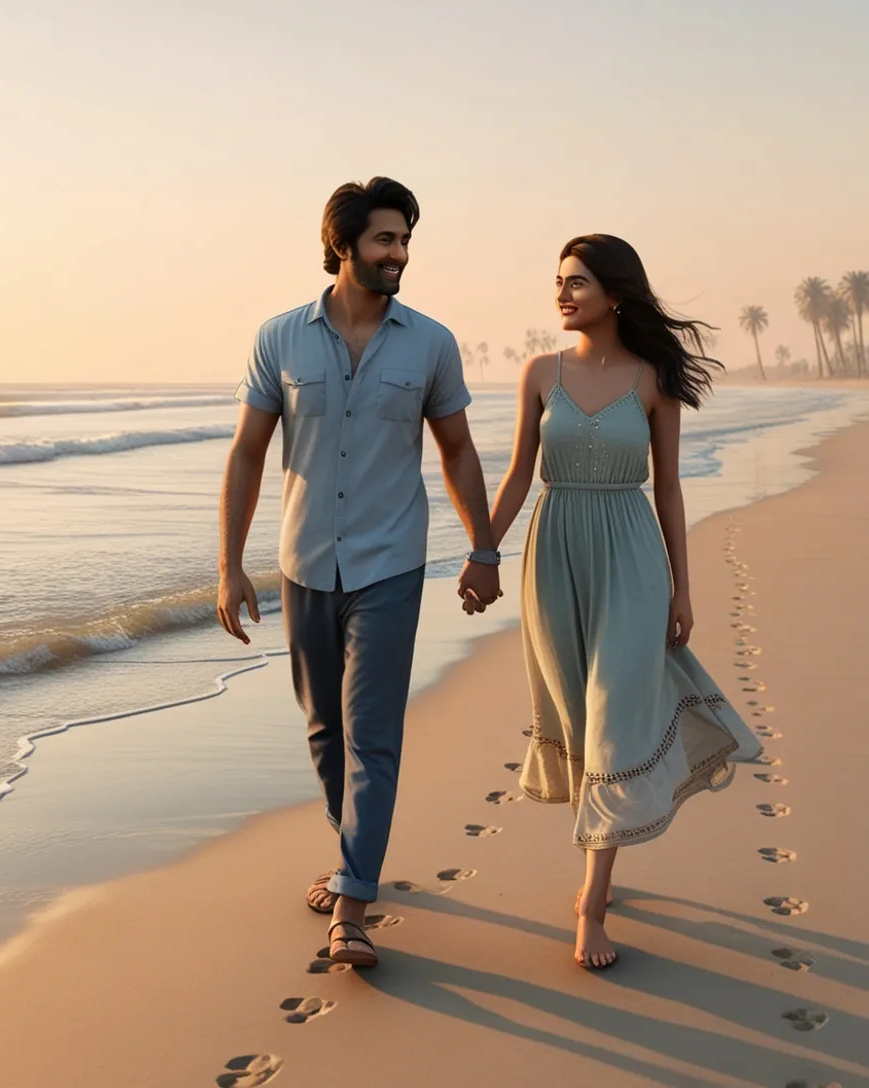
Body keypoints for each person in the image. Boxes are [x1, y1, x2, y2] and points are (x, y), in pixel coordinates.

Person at [217, 177, 501, 968]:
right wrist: (230, 566)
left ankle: (352, 906)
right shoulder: (280, 338)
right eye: (386, 240)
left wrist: (483, 549)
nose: (399, 255)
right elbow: (247, 452)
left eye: (406, 240)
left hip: (390, 563)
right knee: (324, 734)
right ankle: (355, 856)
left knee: (372, 737)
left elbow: (456, 450)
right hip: (304, 562)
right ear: (342, 245)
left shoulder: (430, 343)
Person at [488, 234, 762, 970]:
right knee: (579, 716)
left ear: (615, 294)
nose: (563, 293)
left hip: (631, 555)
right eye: (558, 280)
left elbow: (668, 487)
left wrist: (683, 584)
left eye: (577, 282)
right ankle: (605, 849)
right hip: (554, 556)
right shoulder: (539, 373)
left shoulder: (653, 378)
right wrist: (483, 551)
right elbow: (518, 474)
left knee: (611, 719)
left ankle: (592, 904)